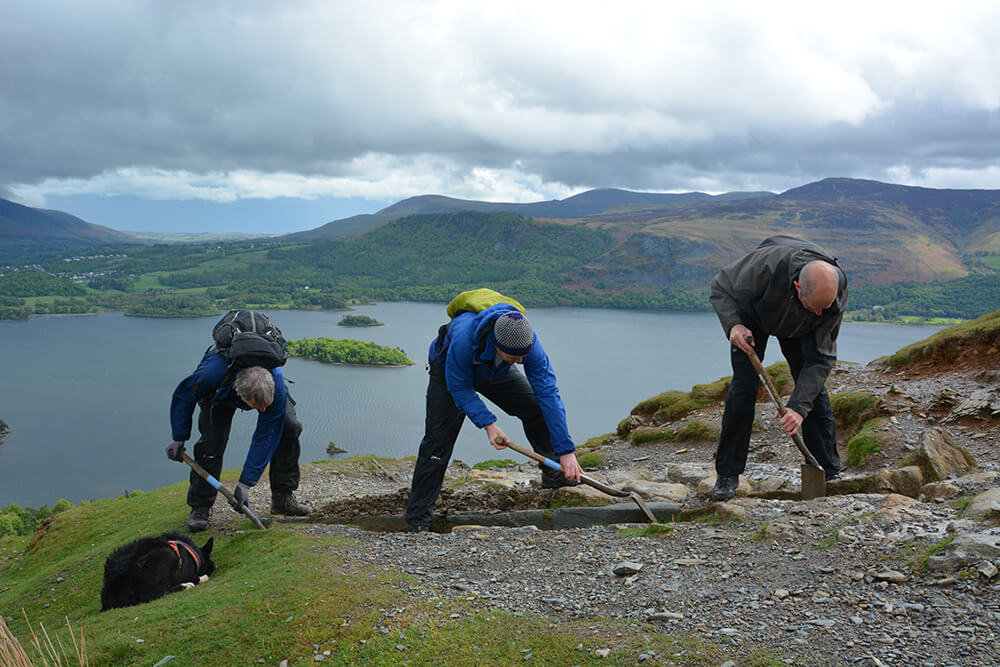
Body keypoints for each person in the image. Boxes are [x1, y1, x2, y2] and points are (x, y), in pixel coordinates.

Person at [405, 302, 584, 532]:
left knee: (536, 408)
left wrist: (566, 451)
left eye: (523, 356)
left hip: (496, 369)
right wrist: (488, 424)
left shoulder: (525, 344)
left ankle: (554, 475)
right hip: (450, 370)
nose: (520, 362)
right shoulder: (462, 340)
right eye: (514, 357)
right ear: (497, 345)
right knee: (437, 443)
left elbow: (548, 393)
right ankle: (418, 519)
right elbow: (460, 388)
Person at [709, 235, 848, 501]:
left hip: (801, 328)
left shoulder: (832, 296)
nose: (822, 313)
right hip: (753, 317)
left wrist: (798, 407)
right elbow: (720, 287)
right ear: (797, 287)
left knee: (813, 394)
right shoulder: (766, 265)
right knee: (744, 389)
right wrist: (733, 325)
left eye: (825, 307)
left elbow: (821, 358)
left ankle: (829, 471)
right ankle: (727, 474)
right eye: (816, 307)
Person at [166, 351, 310, 531]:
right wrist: (179, 437)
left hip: (261, 390)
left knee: (289, 428)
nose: (263, 411)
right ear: (238, 392)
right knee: (211, 444)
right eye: (258, 406)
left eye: (267, 405)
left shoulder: (276, 383)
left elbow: (265, 435)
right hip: (219, 394)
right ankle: (200, 507)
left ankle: (282, 497)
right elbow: (184, 395)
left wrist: (245, 483)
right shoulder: (211, 375)